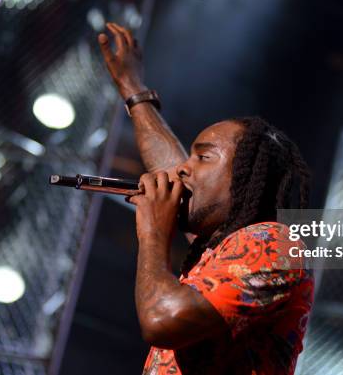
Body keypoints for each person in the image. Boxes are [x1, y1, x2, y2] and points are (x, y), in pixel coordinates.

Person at [98, 22, 314, 375]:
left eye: (204, 157)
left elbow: (163, 319)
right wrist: (133, 90)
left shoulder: (272, 246)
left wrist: (153, 233)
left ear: (243, 181)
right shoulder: (221, 249)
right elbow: (171, 165)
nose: (183, 170)